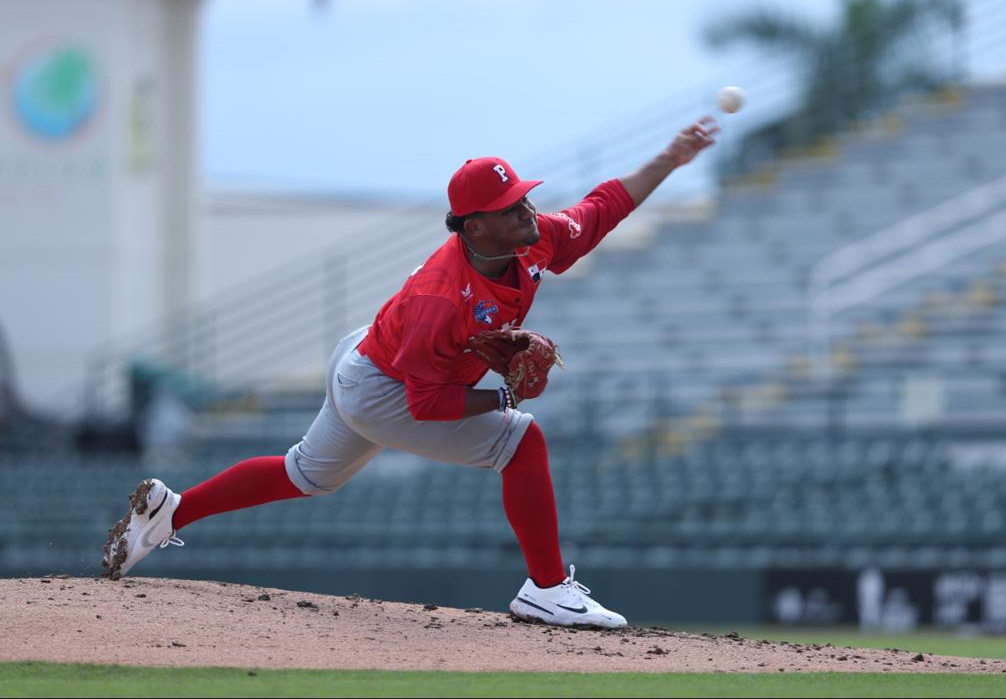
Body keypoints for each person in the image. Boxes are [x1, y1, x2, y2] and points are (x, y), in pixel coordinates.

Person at [101, 116, 720, 628]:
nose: (527, 209)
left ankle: (170, 512)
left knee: (305, 474)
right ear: (475, 227)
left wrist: (670, 158)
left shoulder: (532, 240)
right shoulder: (442, 297)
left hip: (370, 353)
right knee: (521, 441)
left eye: (524, 197)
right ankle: (547, 589)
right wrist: (503, 395)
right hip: (384, 388)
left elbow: (603, 206)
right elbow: (426, 407)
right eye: (510, 207)